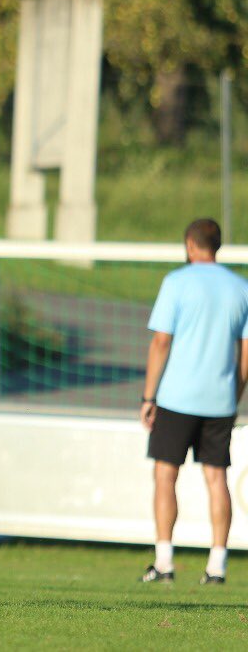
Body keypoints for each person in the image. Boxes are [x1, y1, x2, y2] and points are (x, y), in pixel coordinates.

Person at [139, 218, 248, 585]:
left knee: (165, 474)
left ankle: (164, 563)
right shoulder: (240, 287)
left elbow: (160, 342)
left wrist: (148, 396)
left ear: (190, 244)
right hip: (220, 399)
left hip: (177, 397)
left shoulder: (176, 282)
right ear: (217, 245)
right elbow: (246, 352)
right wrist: (235, 393)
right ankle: (217, 566)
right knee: (217, 478)